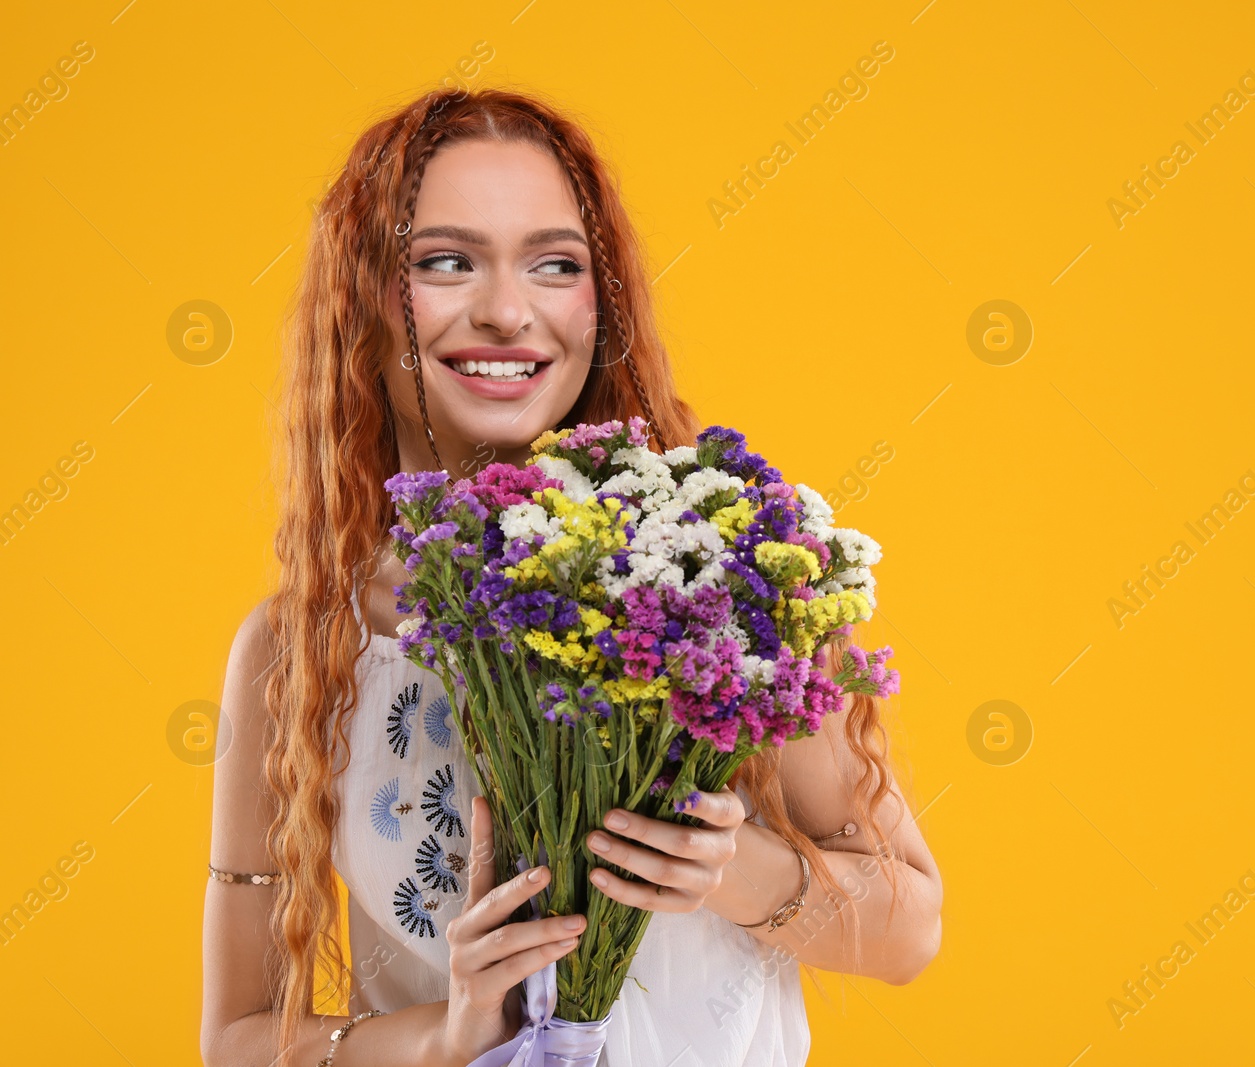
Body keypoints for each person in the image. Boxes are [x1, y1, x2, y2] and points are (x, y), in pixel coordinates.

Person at [200, 86, 942, 1067]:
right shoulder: (299, 646)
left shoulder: (724, 579)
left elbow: (909, 926)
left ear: (603, 304)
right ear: (365, 300)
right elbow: (239, 1037)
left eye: (555, 264)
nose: (507, 311)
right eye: (445, 262)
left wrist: (735, 870)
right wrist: (449, 1033)